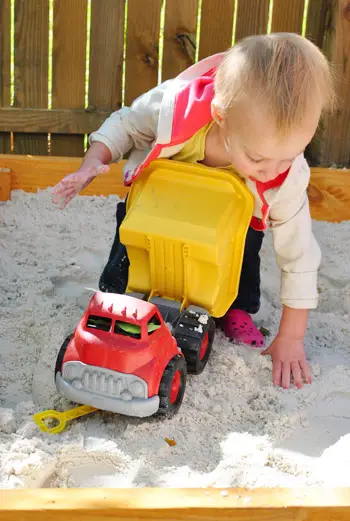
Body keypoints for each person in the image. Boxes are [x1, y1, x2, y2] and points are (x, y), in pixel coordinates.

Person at [52, 33, 335, 390]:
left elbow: (298, 254)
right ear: (220, 116)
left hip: (229, 230)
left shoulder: (284, 175)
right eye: (258, 158)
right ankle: (121, 291)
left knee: (245, 247)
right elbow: (125, 124)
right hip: (156, 210)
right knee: (123, 275)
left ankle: (233, 307)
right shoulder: (174, 111)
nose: (270, 171)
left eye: (289, 155)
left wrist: (291, 338)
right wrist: (92, 163)